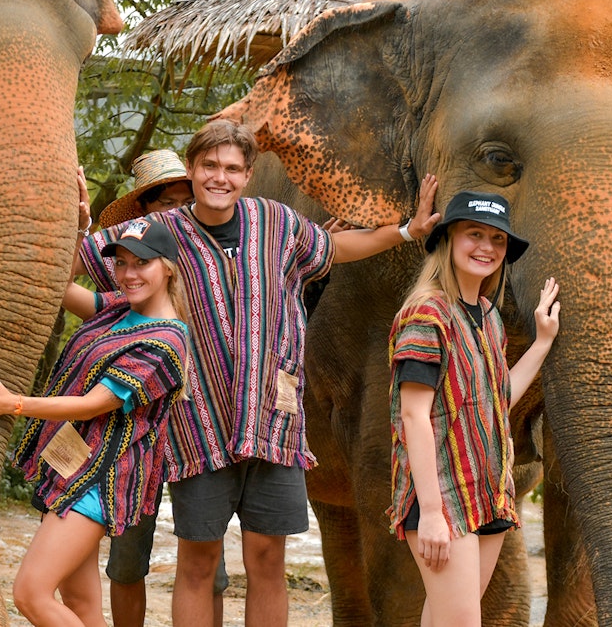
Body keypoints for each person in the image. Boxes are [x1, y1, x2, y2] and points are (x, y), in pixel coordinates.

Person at [75, 118, 441, 626]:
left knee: (268, 560)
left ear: (247, 175)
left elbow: (335, 249)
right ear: (192, 168)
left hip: (274, 421)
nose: (219, 177)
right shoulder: (159, 234)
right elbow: (84, 258)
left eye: (231, 168)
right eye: (208, 165)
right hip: (195, 423)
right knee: (197, 563)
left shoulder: (277, 221)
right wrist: (72, 220)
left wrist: (405, 232)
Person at [0, 217, 189, 627]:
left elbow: (92, 405)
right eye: (123, 264)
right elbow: (58, 286)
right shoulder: (118, 308)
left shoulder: (165, 340)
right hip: (72, 469)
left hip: (98, 480)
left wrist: (12, 404)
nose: (129, 274)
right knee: (80, 606)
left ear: (167, 267)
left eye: (142, 264)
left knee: (30, 593)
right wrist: (79, 225)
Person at [387, 190, 560, 626]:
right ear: (447, 239)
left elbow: (496, 401)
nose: (487, 247)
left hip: (486, 494)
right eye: (474, 234)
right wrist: (429, 513)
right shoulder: (427, 315)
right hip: (443, 498)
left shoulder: (486, 314)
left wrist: (541, 344)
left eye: (497, 240)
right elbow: (413, 417)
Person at [92, 150, 227, 627]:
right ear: (144, 214)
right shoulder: (128, 285)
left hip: (197, 430)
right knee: (127, 559)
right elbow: (74, 291)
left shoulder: (222, 265)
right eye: (162, 203)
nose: (173, 211)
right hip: (134, 437)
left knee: (209, 564)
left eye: (181, 200)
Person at [98, 149, 194, 228]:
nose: (180, 211)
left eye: (188, 203)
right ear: (140, 209)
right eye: (169, 203)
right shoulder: (129, 249)